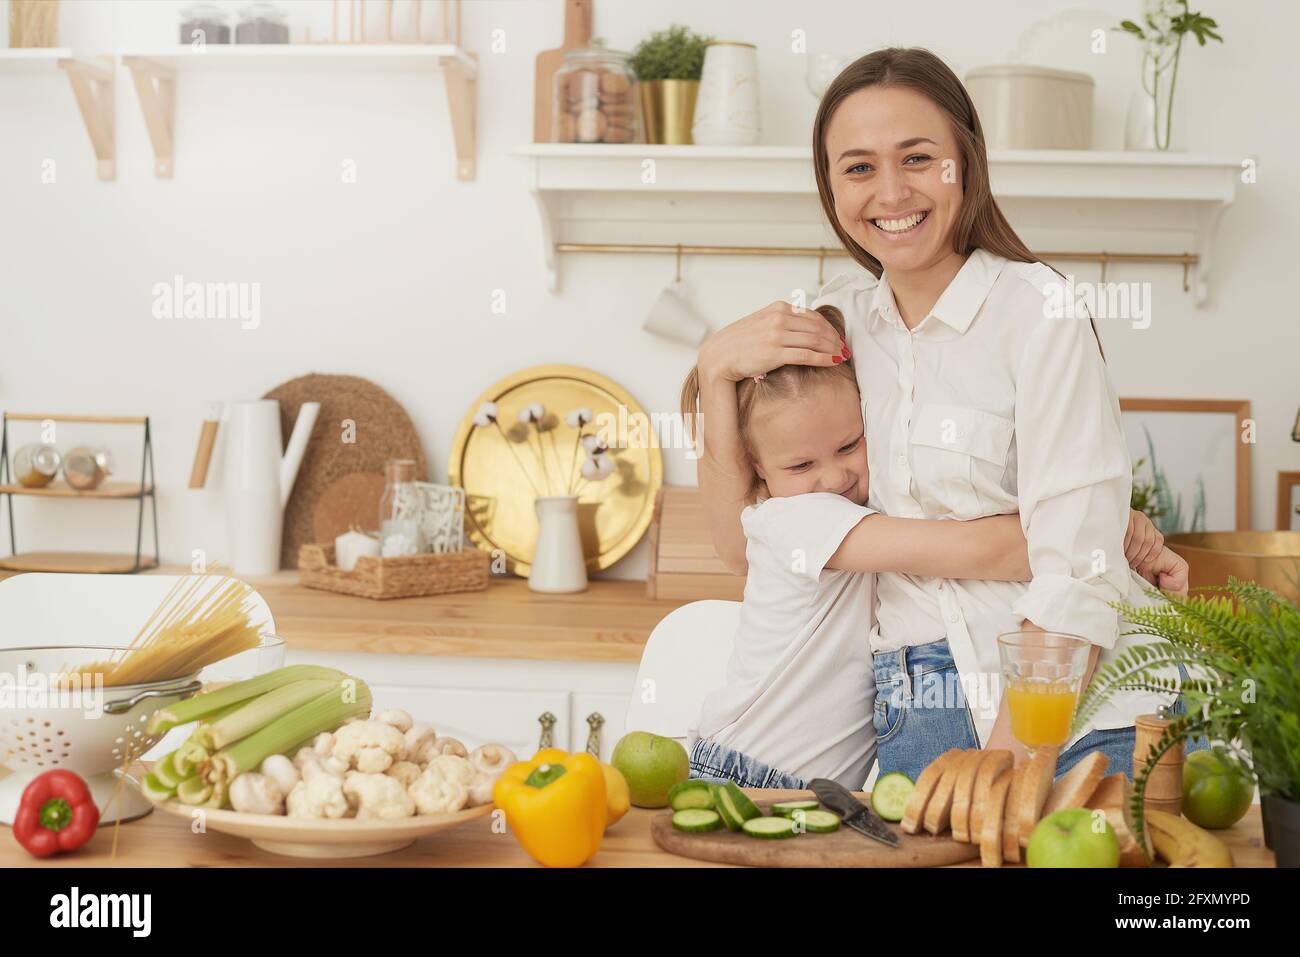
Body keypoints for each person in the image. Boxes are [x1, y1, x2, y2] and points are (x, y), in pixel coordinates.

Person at [690, 47, 1190, 781]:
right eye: (858, 167)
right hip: (912, 706)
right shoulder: (833, 327)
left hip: (1082, 705)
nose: (891, 192)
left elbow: (1077, 571)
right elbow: (749, 547)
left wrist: (1008, 758)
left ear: (967, 160)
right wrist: (712, 370)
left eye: (918, 158)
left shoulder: (1038, 311)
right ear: (830, 186)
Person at [682, 306, 1187, 789]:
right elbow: (984, 551)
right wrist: (1097, 525)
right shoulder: (800, 519)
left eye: (849, 446)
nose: (833, 476)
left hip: (804, 785)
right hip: (748, 774)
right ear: (758, 469)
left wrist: (1096, 522)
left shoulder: (845, 515)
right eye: (800, 466)